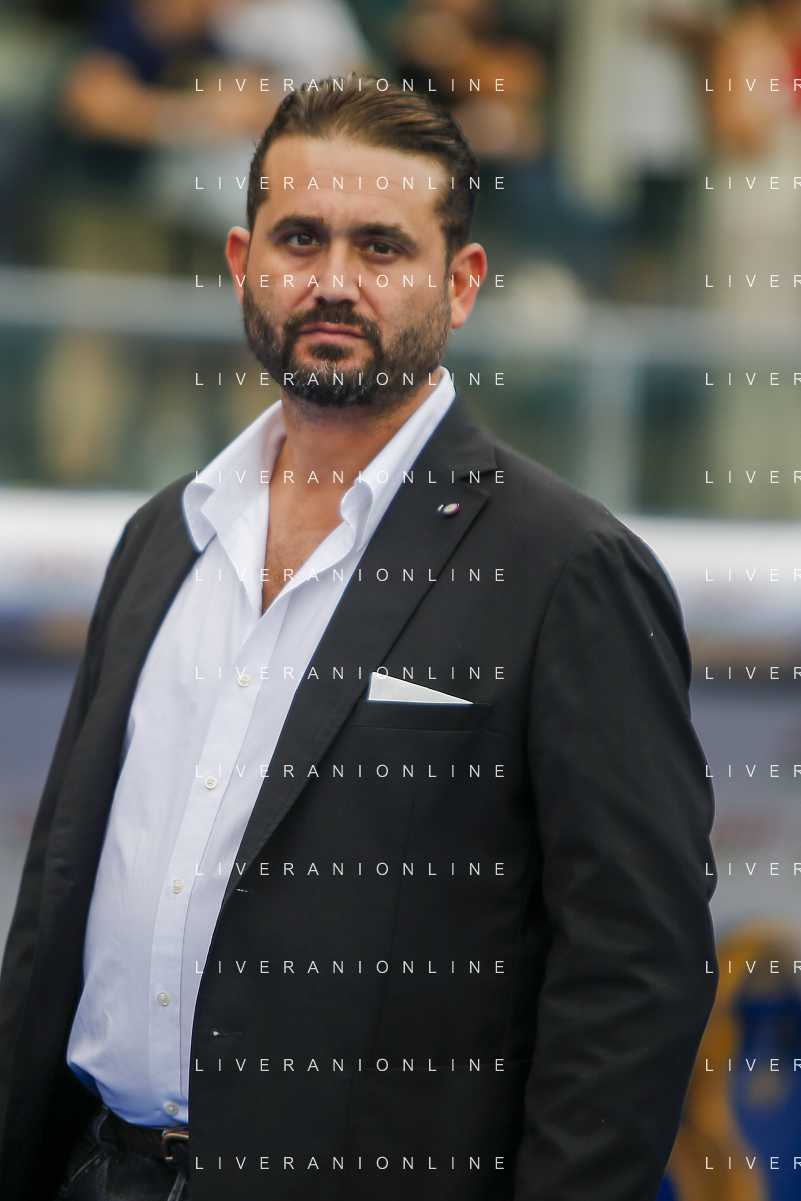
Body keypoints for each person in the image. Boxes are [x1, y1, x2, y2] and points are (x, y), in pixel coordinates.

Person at [0, 77, 717, 1201]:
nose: (333, 280)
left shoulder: (566, 569)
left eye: (381, 246)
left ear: (460, 282)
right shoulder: (165, 536)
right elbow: (57, 901)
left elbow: (637, 971)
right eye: (300, 239)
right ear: (242, 262)